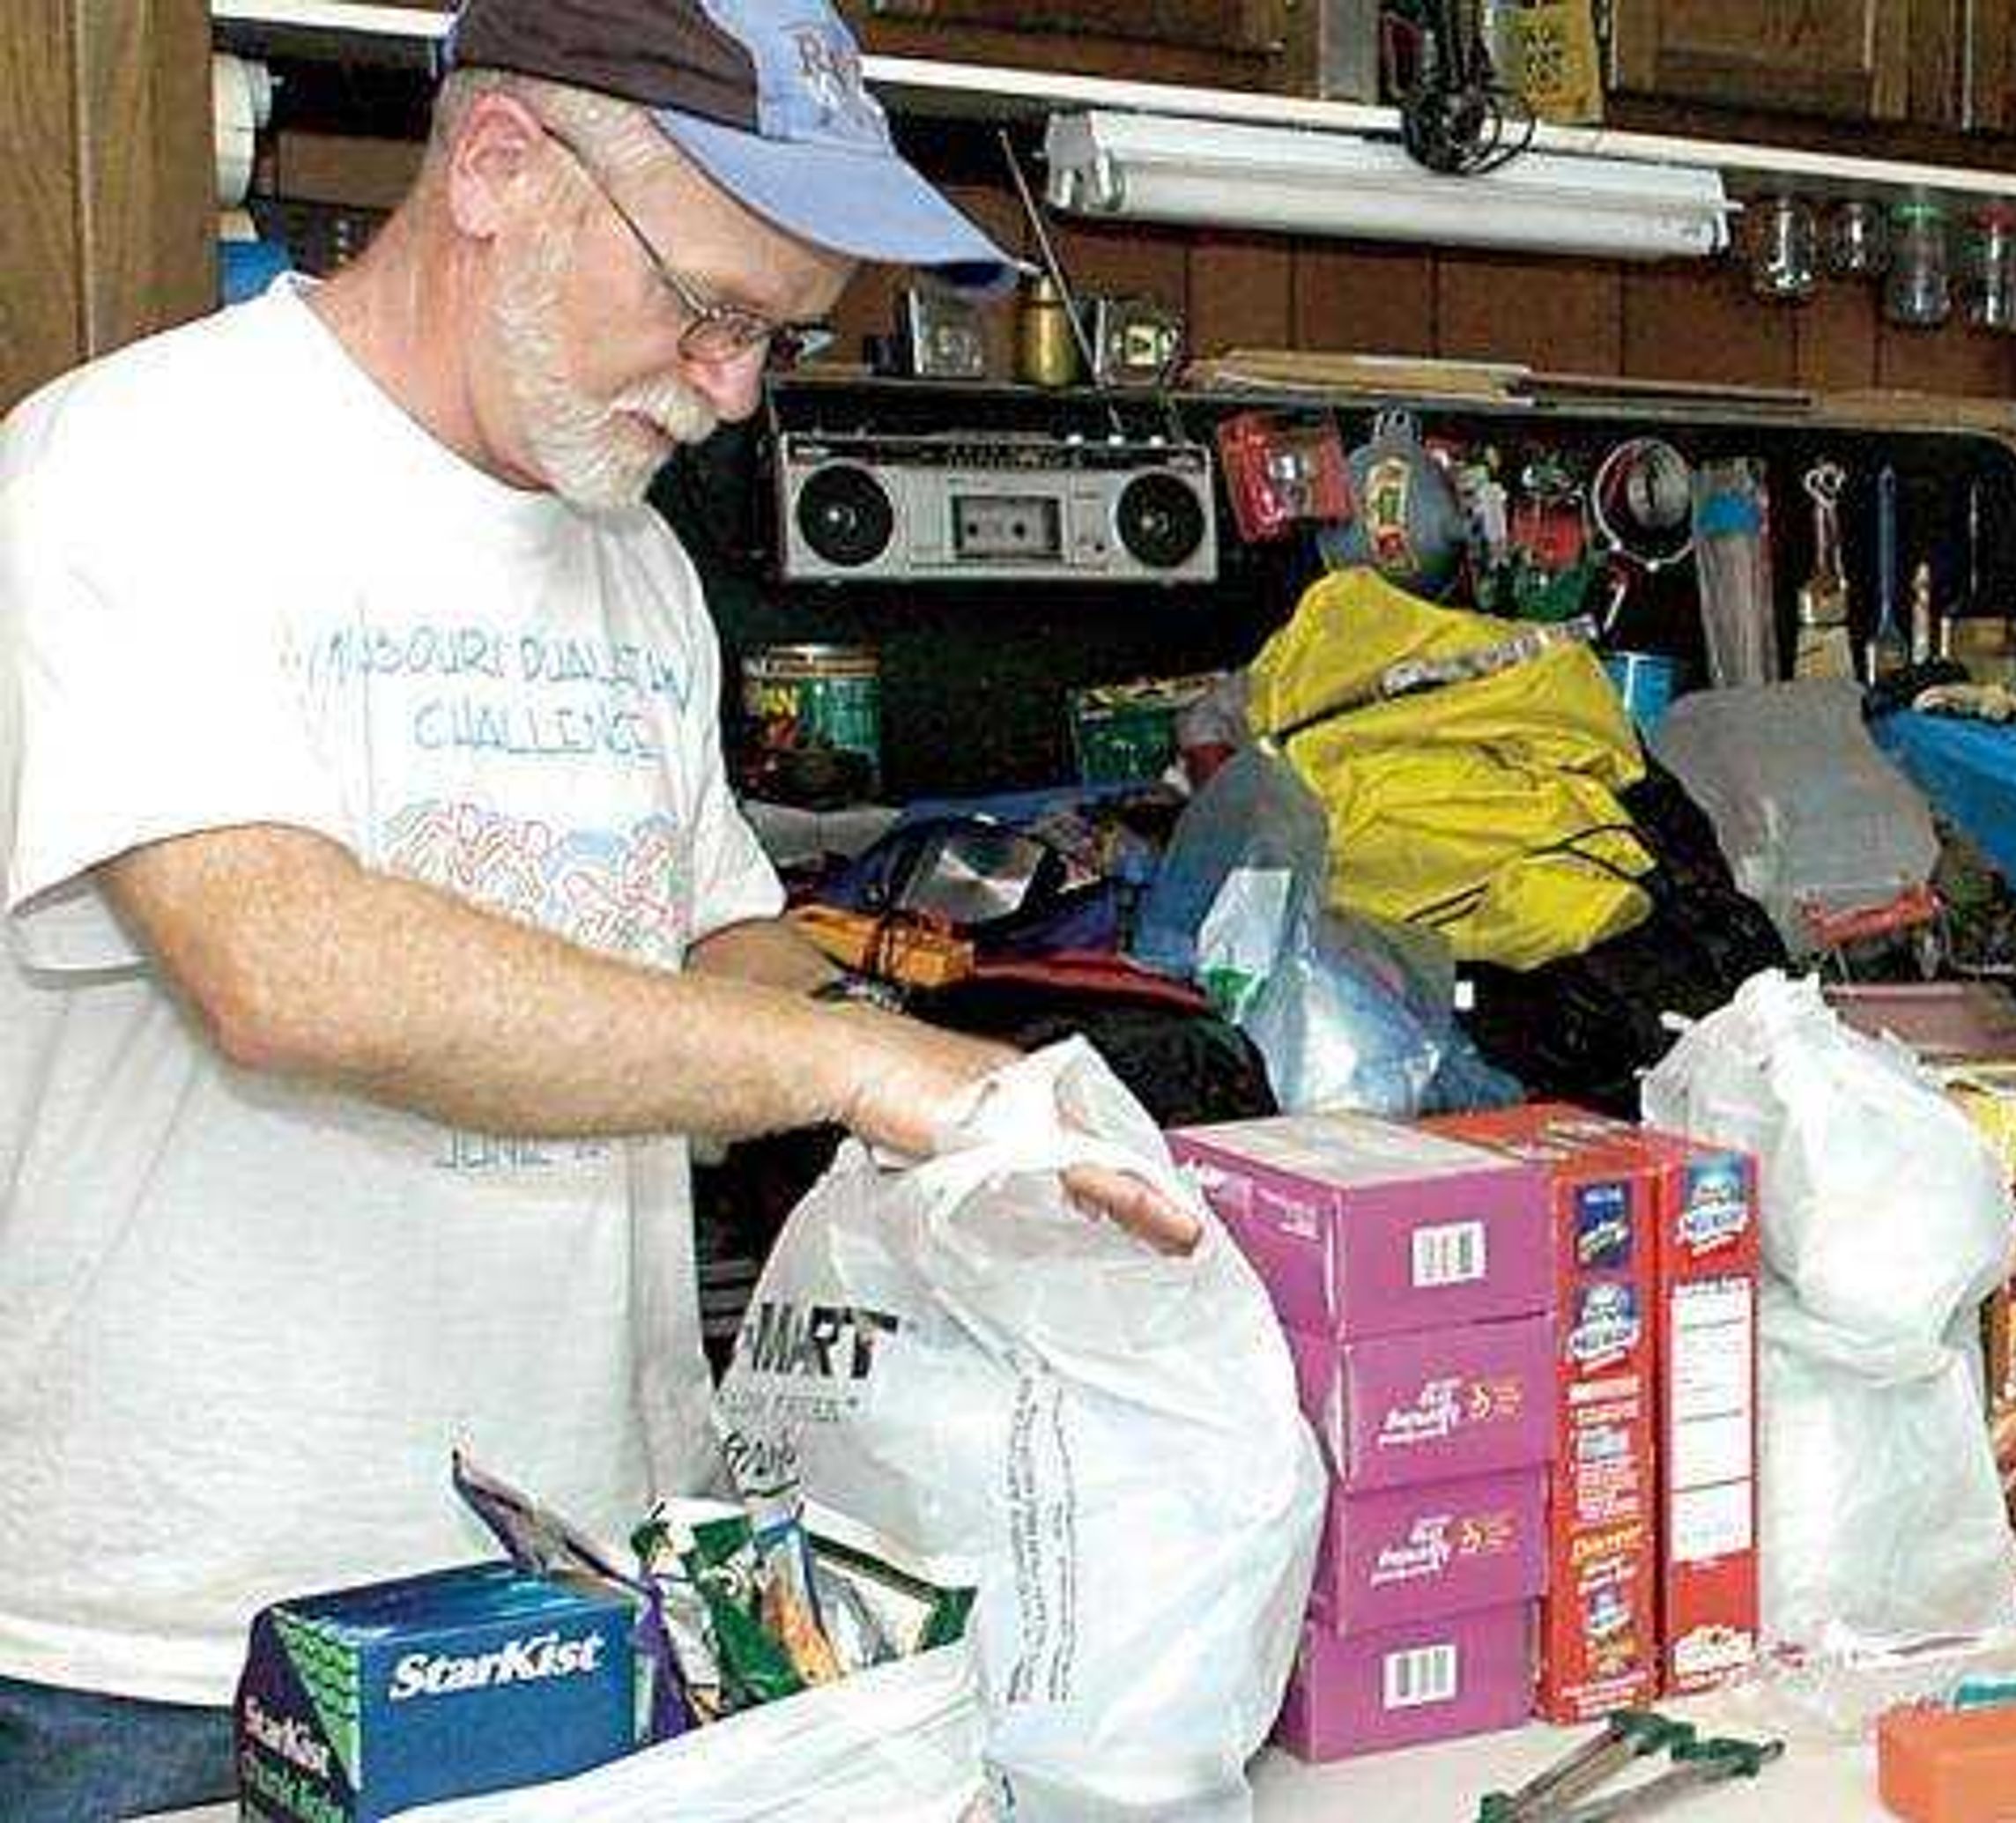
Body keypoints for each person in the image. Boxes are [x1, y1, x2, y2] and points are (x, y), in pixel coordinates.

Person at [0, 3, 1188, 1813]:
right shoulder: (142, 470)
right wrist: (854, 1071)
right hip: (177, 1648)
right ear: (496, 172)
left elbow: (716, 941)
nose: (732, 392)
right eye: (709, 311)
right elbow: (283, 966)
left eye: (774, 339)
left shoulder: (623, 547)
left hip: (583, 1585)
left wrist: (949, 1107)